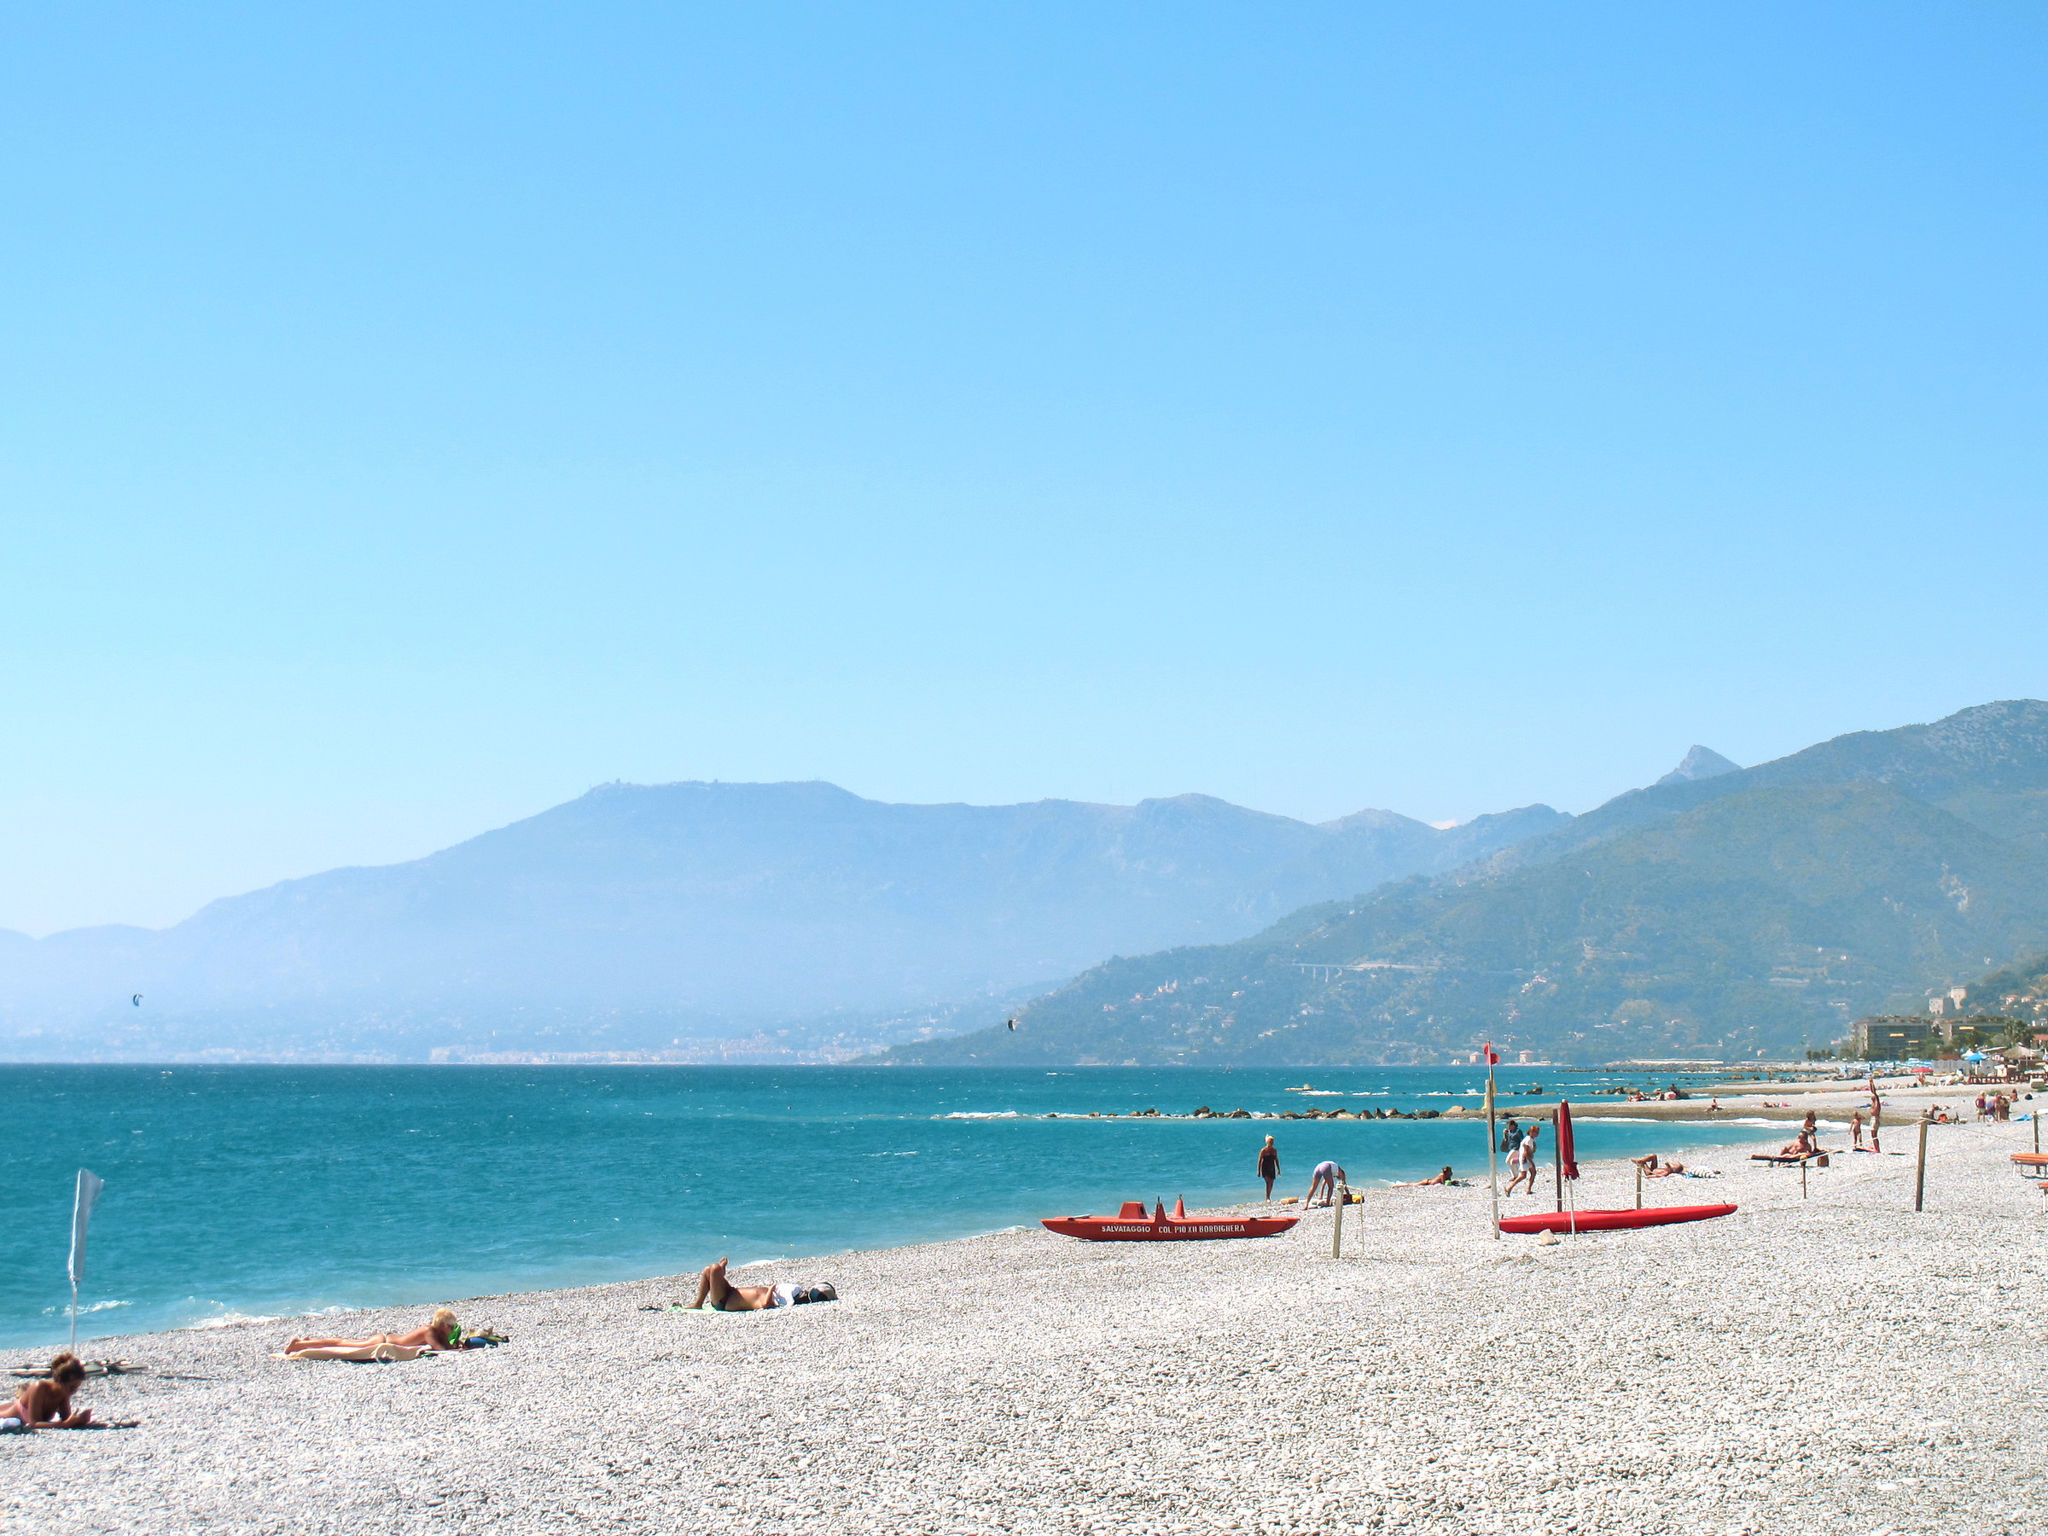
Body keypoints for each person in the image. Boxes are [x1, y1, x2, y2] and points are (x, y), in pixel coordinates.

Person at [284, 1308, 471, 1355]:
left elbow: (447, 1346)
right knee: (342, 1344)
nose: (452, 1329)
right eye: (450, 1326)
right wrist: (457, 1347)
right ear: (442, 1325)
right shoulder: (429, 1331)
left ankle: (309, 1340)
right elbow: (442, 1350)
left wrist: (456, 1343)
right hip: (382, 1342)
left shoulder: (435, 1332)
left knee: (344, 1341)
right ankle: (300, 1345)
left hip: (385, 1338)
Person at [686, 1257, 837, 1312]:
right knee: (708, 1270)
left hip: (725, 1302)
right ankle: (698, 1303)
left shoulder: (782, 1301)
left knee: (714, 1269)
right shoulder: (787, 1295)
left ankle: (720, 1272)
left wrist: (771, 1289)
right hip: (732, 1292)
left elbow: (765, 1305)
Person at [0, 1353, 94, 1432]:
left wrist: (81, 1421)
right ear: (59, 1380)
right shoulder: (40, 1387)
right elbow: (34, 1423)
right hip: (11, 1413)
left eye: (76, 1388)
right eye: (72, 1387)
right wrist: (66, 1424)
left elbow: (66, 1420)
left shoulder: (63, 1392)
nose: (74, 1391)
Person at [1504, 1124, 1541, 1196]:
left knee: (1532, 1173)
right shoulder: (1529, 1140)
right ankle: (1509, 1188)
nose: (1537, 1134)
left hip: (1525, 1158)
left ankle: (1528, 1189)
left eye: (1537, 1132)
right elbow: (1526, 1152)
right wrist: (1531, 1162)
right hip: (1525, 1159)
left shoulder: (1528, 1138)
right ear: (1531, 1132)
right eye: (1535, 1132)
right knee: (1523, 1175)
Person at [1257, 1135, 1280, 1200]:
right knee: (1268, 1182)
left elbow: (1276, 1160)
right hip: (1265, 1167)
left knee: (1271, 1182)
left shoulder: (1274, 1150)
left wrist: (1278, 1170)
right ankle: (1267, 1197)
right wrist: (1258, 1171)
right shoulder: (1263, 1150)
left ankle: (1269, 1195)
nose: (1271, 1143)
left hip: (1272, 1167)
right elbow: (1260, 1161)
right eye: (1270, 1141)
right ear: (1267, 1142)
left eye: (1272, 1142)